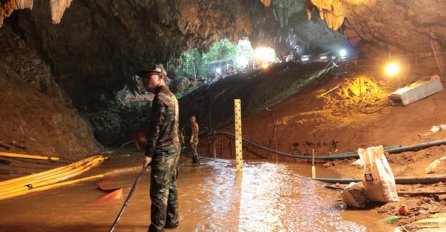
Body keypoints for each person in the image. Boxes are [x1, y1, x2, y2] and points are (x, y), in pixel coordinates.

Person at [139, 64, 180, 232]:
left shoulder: (159, 99)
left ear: (161, 76)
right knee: (170, 186)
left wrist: (149, 154)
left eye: (150, 76)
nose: (145, 80)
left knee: (158, 192)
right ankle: (172, 221)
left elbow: (155, 129)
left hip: (163, 151)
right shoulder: (172, 97)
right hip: (174, 149)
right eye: (144, 77)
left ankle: (157, 228)